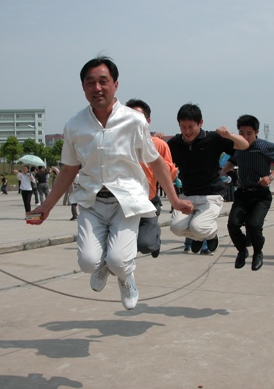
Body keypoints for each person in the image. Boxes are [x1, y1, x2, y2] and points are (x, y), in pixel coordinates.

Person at [31, 56, 193, 310]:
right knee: (87, 263)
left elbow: (156, 162)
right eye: (90, 82)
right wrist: (47, 205)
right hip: (91, 201)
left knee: (119, 261)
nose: (97, 88)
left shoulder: (134, 121)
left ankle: (125, 276)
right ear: (83, 87)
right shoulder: (74, 125)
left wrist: (174, 199)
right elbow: (69, 169)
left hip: (125, 202)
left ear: (115, 84)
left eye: (103, 81)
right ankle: (107, 266)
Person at [167, 103, 249, 255]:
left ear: (201, 123)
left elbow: (244, 145)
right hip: (187, 195)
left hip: (211, 195)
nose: (187, 131)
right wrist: (157, 141)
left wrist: (229, 135)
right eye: (183, 127)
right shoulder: (174, 144)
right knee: (176, 228)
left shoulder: (213, 139)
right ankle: (201, 236)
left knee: (198, 227)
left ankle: (210, 234)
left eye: (191, 126)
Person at [222, 115, 274, 271]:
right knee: (233, 225)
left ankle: (258, 252)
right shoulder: (237, 146)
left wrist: (271, 177)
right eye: (241, 133)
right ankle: (242, 250)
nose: (245, 137)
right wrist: (222, 171)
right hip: (243, 194)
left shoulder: (265, 147)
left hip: (260, 195)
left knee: (254, 225)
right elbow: (233, 160)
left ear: (257, 132)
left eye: (249, 133)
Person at [126, 98, 178, 258]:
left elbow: (170, 174)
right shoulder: (117, 143)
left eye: (138, 118)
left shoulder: (159, 145)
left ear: (147, 121)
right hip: (124, 203)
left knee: (145, 245)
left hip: (148, 202)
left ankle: (154, 239)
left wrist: (153, 156)